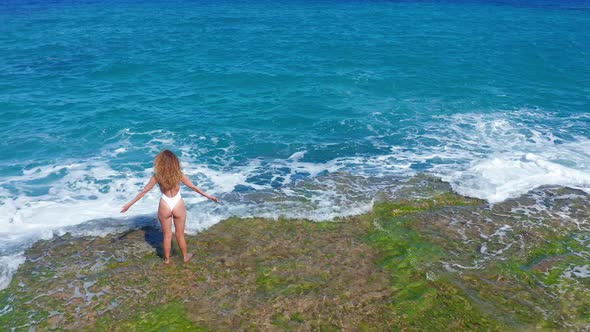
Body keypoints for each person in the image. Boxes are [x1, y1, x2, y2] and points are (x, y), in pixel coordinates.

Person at [121, 149, 220, 264]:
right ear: (175, 162)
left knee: (167, 235)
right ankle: (185, 257)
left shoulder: (157, 176)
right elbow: (194, 188)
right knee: (180, 234)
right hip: (178, 203)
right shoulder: (179, 174)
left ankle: (167, 260)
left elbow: (144, 192)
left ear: (160, 162)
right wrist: (209, 196)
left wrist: (129, 204)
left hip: (165, 204)